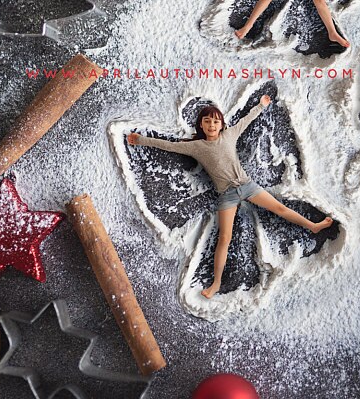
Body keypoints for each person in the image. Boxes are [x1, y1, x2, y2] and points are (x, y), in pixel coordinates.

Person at [127, 95, 333, 298]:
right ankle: (215, 283)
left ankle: (313, 226)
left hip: (247, 186)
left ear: (221, 125)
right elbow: (169, 145)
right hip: (227, 196)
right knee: (224, 239)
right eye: (207, 121)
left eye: (215, 121)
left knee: (280, 208)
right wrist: (140, 140)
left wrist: (261, 106)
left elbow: (246, 121)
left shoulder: (229, 135)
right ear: (201, 125)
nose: (211, 124)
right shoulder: (195, 146)